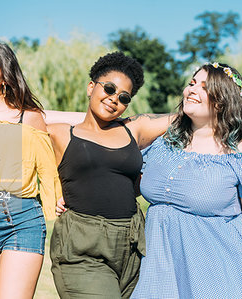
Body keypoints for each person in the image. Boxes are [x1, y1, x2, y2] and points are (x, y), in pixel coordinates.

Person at [131, 63, 242, 298]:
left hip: (224, 278)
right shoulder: (161, 144)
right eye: (191, 83)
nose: (191, 90)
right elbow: (101, 129)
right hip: (161, 277)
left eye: (204, 87)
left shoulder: (241, 155)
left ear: (222, 101)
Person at [48, 51, 170, 298]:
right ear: (91, 87)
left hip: (133, 243)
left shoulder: (133, 129)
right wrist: (53, 191)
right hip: (83, 245)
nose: (115, 99)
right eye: (109, 89)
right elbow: (18, 119)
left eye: (124, 97)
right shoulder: (60, 133)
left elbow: (188, 118)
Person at [0, 40, 60, 298]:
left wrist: (56, 207)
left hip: (19, 220)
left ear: (5, 76)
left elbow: (47, 171)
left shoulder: (27, 117)